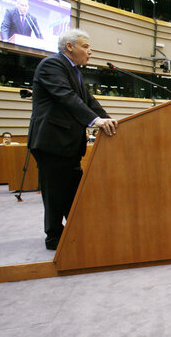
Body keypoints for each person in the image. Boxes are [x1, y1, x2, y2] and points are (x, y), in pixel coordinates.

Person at [27, 29, 117, 250]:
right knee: (55, 192)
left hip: (68, 144)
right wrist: (95, 121)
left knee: (74, 191)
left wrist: (109, 120)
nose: (90, 51)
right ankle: (54, 237)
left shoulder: (73, 70)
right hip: (52, 142)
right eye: (86, 46)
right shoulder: (52, 65)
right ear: (69, 47)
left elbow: (88, 100)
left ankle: (76, 230)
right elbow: (66, 97)